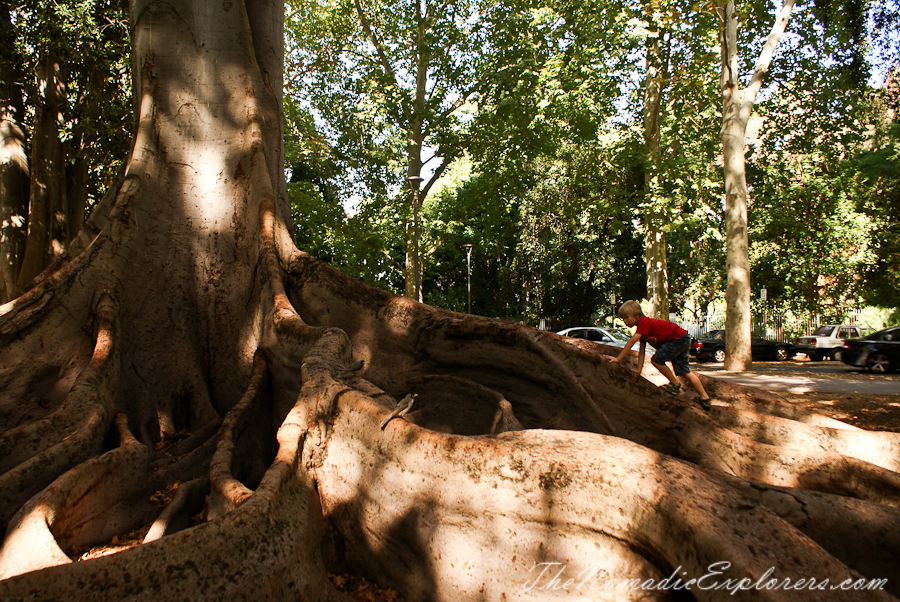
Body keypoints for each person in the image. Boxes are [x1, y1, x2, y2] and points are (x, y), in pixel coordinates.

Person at [609, 300, 712, 411]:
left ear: (637, 315)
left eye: (627, 317)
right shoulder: (642, 329)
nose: (625, 321)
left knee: (656, 360)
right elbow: (641, 352)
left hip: (677, 338)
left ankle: (675, 384)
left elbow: (630, 342)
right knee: (684, 371)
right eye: (622, 319)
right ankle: (705, 398)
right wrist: (638, 371)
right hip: (683, 337)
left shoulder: (643, 323)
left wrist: (618, 359)